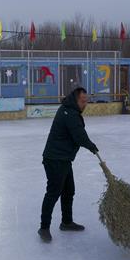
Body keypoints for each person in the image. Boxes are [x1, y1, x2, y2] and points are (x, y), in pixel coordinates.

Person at [39, 87, 99, 242]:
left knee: (68, 191)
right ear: (75, 99)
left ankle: (66, 222)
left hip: (63, 159)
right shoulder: (70, 113)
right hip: (55, 159)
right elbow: (79, 136)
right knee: (53, 193)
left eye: (86, 101)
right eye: (82, 101)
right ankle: (44, 228)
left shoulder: (69, 110)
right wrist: (92, 147)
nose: (85, 104)